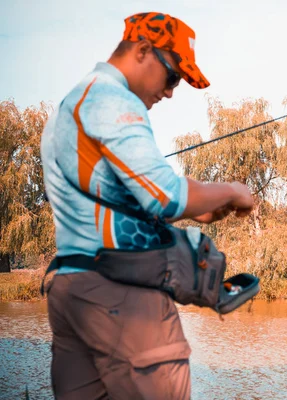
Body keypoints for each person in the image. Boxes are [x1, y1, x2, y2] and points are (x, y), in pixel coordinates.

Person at [41, 12, 253, 399]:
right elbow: (166, 195)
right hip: (121, 297)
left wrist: (205, 208)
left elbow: (128, 200)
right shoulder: (112, 99)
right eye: (172, 76)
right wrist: (232, 191)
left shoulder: (70, 105)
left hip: (72, 290)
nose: (171, 92)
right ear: (142, 51)